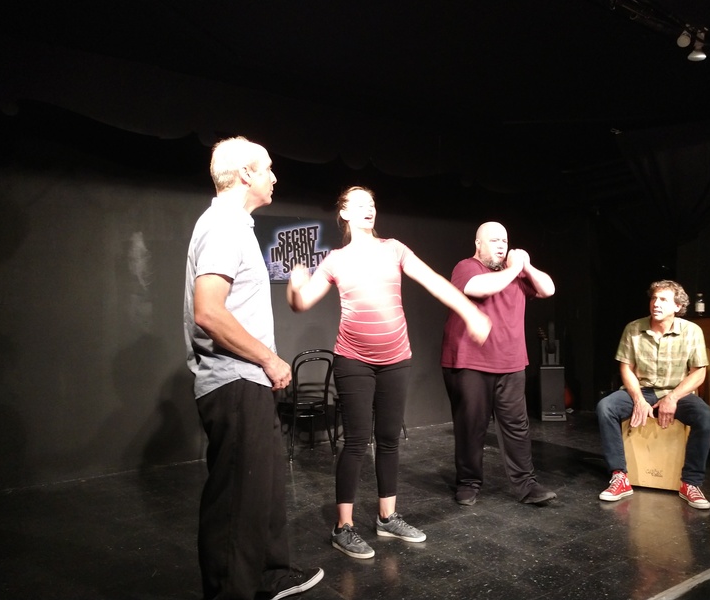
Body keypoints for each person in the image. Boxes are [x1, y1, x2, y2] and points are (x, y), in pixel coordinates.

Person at [286, 186, 491, 560]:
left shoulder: (394, 249)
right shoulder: (335, 260)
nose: (369, 208)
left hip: (396, 358)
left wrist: (469, 311)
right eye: (360, 204)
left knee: (389, 439)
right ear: (344, 213)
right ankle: (343, 527)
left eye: (372, 203)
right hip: (353, 360)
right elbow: (301, 303)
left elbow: (434, 281)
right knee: (356, 441)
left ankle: (387, 517)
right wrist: (295, 286)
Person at [184, 136, 323, 599]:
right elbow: (208, 311)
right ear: (245, 174)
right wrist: (268, 358)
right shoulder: (223, 224)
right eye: (267, 168)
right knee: (237, 500)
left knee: (262, 488)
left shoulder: (236, 226)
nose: (275, 177)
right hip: (235, 380)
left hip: (247, 380)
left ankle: (269, 575)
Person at [441, 221, 558, 507]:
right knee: (471, 426)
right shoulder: (467, 267)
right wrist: (514, 269)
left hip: (511, 362)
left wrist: (526, 267)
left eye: (504, 240)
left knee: (517, 427)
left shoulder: (515, 272)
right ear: (478, 244)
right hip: (470, 361)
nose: (501, 246)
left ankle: (526, 484)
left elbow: (548, 289)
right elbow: (480, 289)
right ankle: (468, 482)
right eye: (494, 240)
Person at [596, 280, 710, 509]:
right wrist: (638, 399)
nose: (656, 304)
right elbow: (626, 368)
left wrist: (672, 398)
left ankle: (690, 483)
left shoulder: (691, 331)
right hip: (642, 389)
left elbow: (698, 372)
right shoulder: (633, 328)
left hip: (678, 392)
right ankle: (619, 476)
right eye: (654, 298)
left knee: (705, 417)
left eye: (663, 300)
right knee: (606, 407)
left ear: (677, 306)